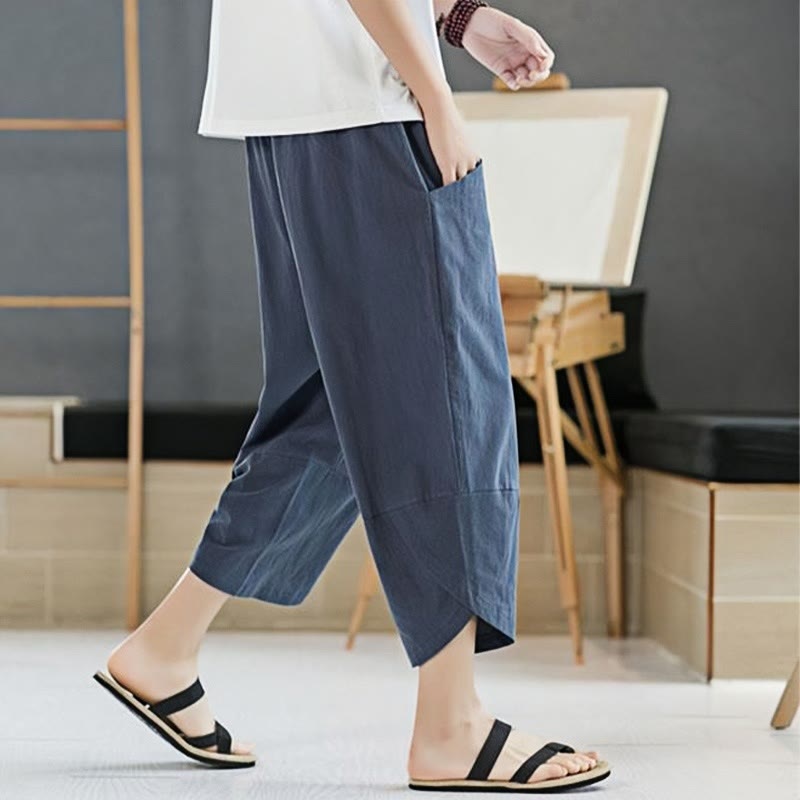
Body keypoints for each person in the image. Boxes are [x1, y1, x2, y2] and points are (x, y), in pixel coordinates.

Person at [94, 0, 610, 792]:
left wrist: (454, 16)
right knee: (445, 401)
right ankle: (452, 726)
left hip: (299, 104)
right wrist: (435, 98)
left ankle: (165, 648)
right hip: (369, 106)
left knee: (330, 408)